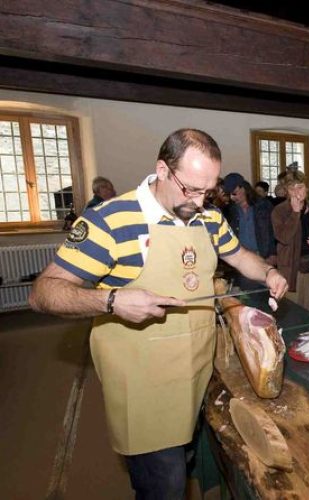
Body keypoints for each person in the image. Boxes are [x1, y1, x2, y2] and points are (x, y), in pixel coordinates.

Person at [28, 129, 287, 498]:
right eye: (192, 190)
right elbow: (43, 292)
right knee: (164, 487)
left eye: (209, 191)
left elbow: (240, 256)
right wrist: (113, 301)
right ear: (162, 170)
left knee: (189, 460)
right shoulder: (111, 220)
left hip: (196, 374)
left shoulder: (209, 218)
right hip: (144, 387)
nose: (200, 202)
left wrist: (269, 272)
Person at [272, 171, 309, 311]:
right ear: (286, 192)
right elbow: (283, 238)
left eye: (300, 187)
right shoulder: (279, 211)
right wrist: (295, 213)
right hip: (292, 270)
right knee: (292, 312)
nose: (297, 192)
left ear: (307, 189)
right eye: (292, 188)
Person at [221, 174, 276, 265]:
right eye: (229, 194)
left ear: (244, 188)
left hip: (263, 257)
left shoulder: (264, 206)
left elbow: (273, 230)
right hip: (241, 258)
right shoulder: (230, 210)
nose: (232, 197)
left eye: (234, 193)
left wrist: (273, 253)